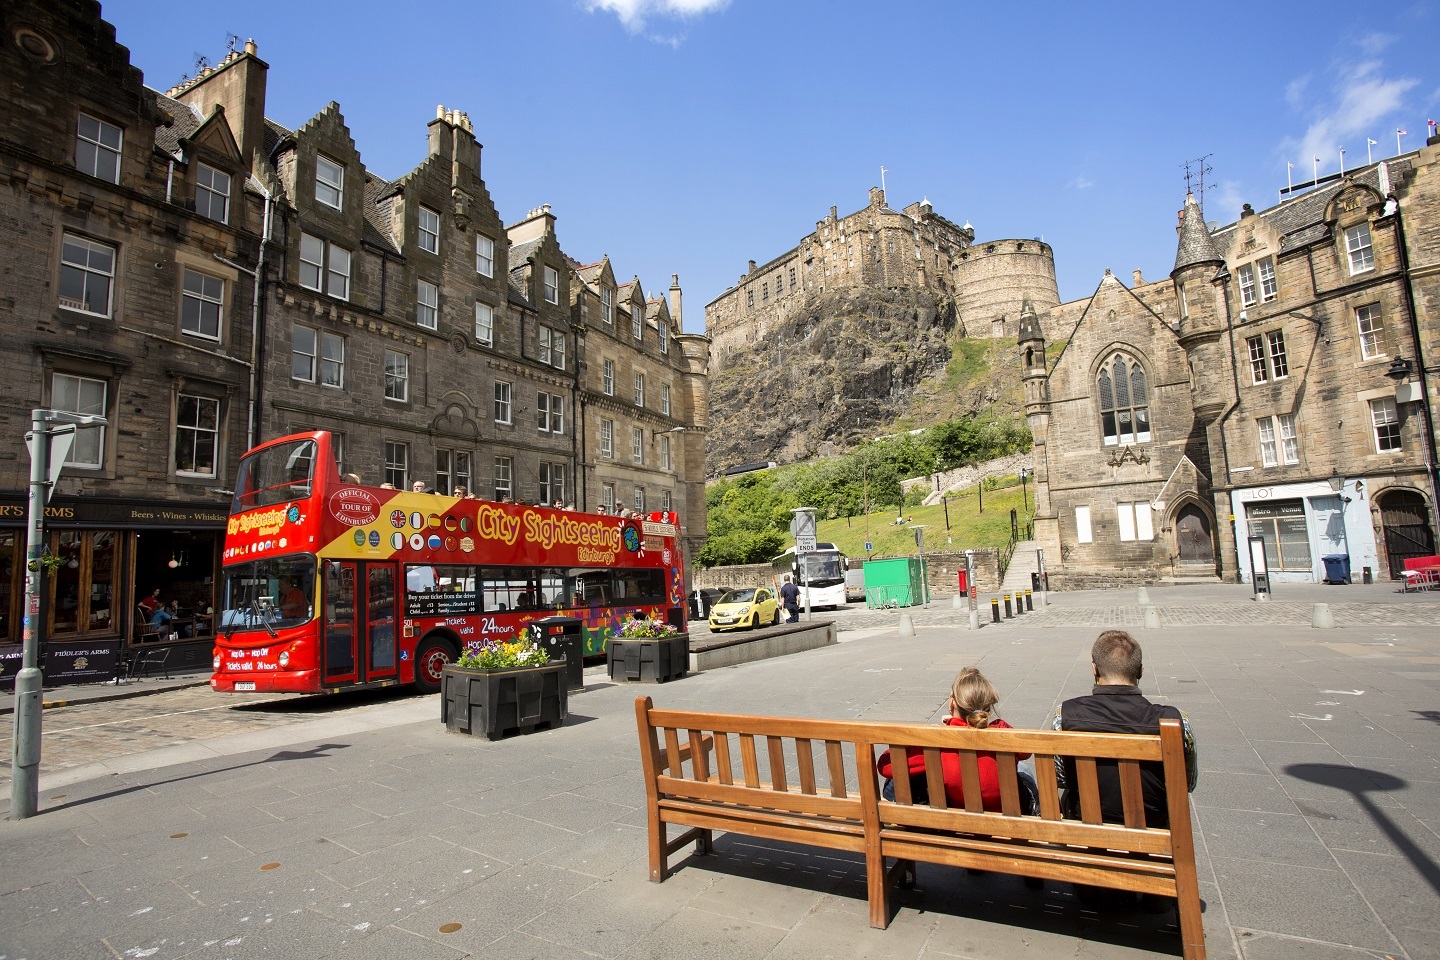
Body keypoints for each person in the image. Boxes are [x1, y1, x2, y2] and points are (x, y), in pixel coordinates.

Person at [1051, 631, 1198, 827]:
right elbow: (1187, 783)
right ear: (1140, 671)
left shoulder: (1065, 715)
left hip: (1086, 826)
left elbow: (1062, 779)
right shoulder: (1175, 720)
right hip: (1153, 832)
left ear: (1094, 670)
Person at [876, 666, 1039, 814]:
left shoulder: (937, 742)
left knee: (901, 780)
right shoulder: (1002, 731)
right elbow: (1025, 752)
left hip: (961, 815)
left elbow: (886, 766)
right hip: (1011, 818)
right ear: (988, 705)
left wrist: (940, 730)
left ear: (952, 702)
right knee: (1023, 769)